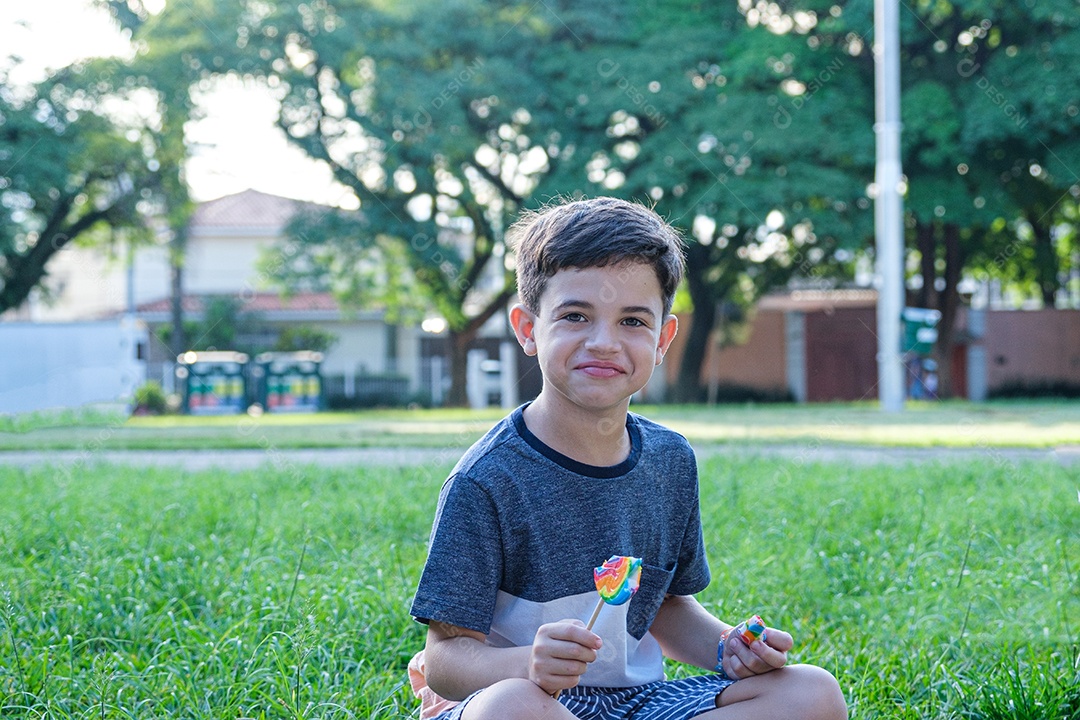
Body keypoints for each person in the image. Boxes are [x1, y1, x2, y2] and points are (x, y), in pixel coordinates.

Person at [408, 197, 848, 720]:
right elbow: (444, 659)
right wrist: (527, 664)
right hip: (529, 698)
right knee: (509, 709)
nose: (604, 343)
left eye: (632, 321)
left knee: (812, 693)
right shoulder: (486, 480)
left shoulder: (669, 461)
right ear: (528, 328)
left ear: (663, 338)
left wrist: (727, 648)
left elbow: (665, 607)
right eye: (575, 316)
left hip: (638, 703)